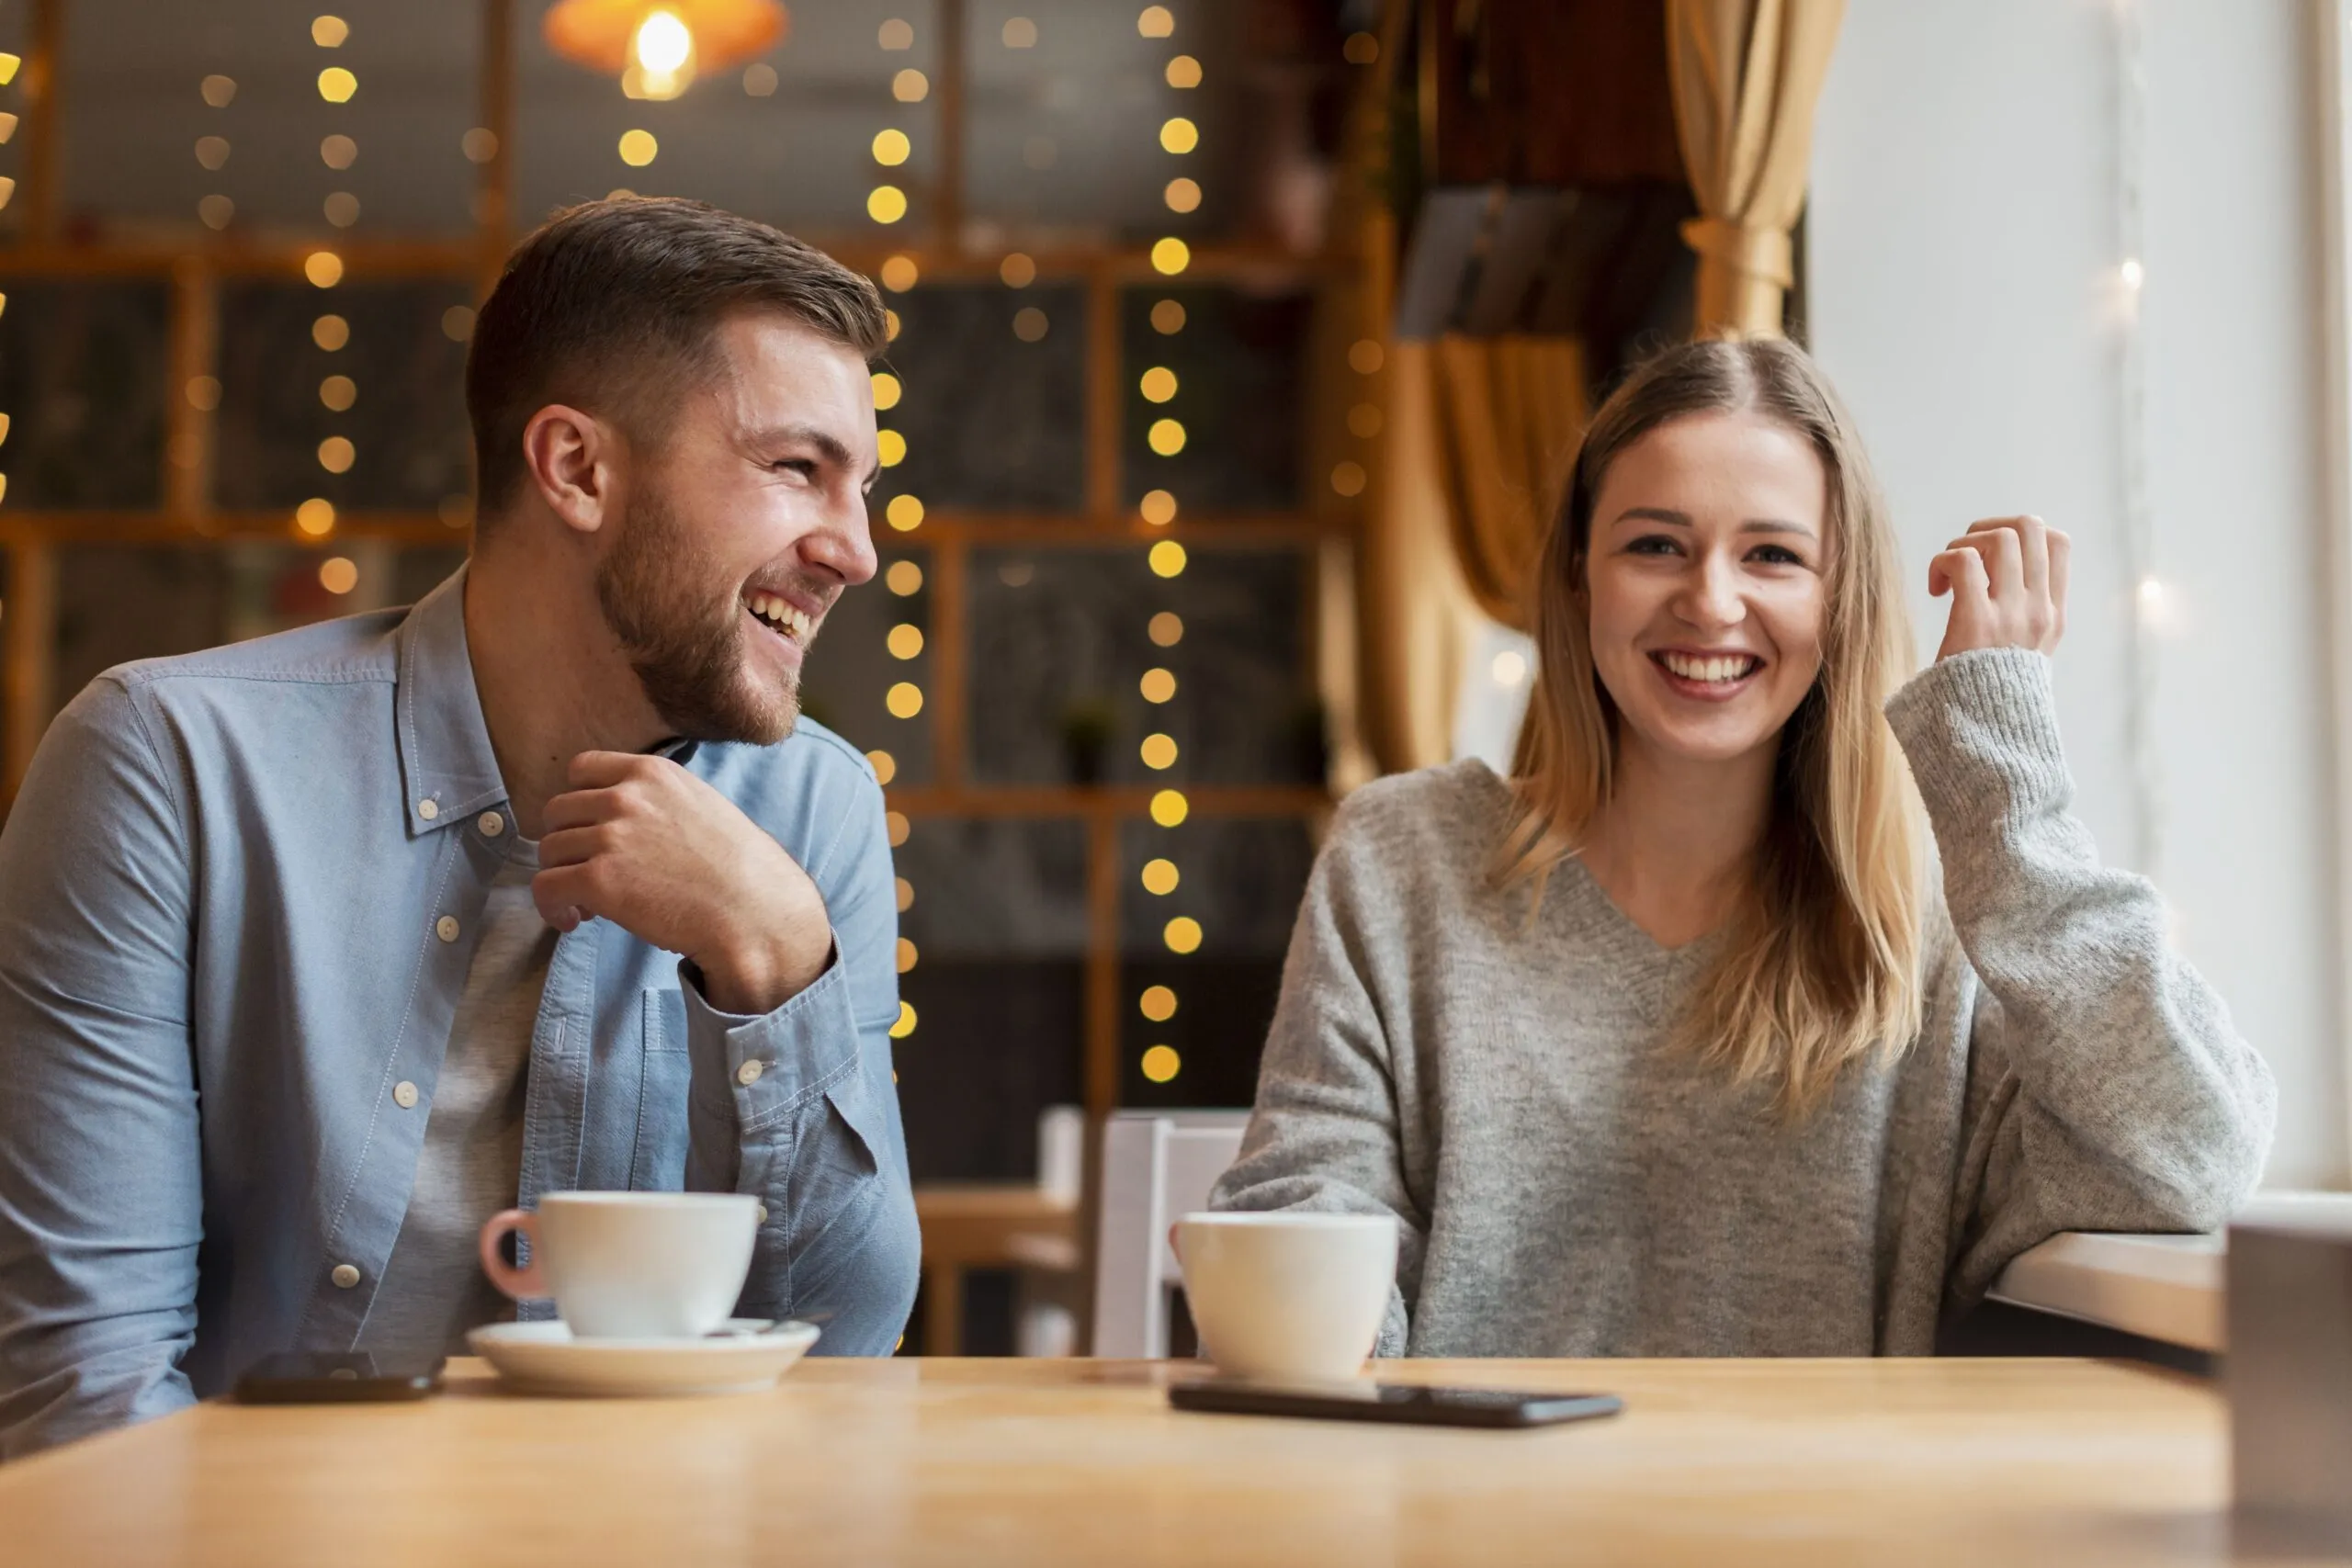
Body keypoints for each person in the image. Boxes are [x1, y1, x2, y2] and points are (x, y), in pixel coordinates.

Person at [0, 197, 920, 1456]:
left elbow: (846, 1342)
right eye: (795, 468)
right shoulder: (167, 763)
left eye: (862, 485)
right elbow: (82, 1383)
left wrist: (777, 964)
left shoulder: (816, 810)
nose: (855, 550)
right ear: (578, 467)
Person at [1211, 336, 2276, 1357]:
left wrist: (2002, 787)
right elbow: (1304, 1208)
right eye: (1654, 545)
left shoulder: (1937, 940)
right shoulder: (1404, 857)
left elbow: (2192, 1152)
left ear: (1837, 599)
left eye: (1770, 554)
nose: (1709, 601)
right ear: (1580, 578)